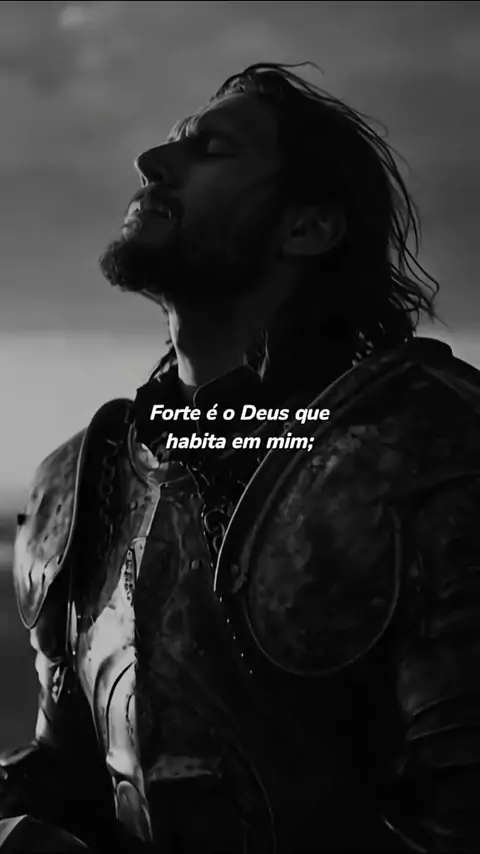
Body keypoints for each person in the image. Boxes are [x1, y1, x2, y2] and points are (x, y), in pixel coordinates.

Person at [1, 61, 479, 854]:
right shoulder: (89, 478)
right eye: (172, 144)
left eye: (211, 150)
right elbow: (74, 773)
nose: (151, 162)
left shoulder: (425, 450)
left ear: (307, 228)